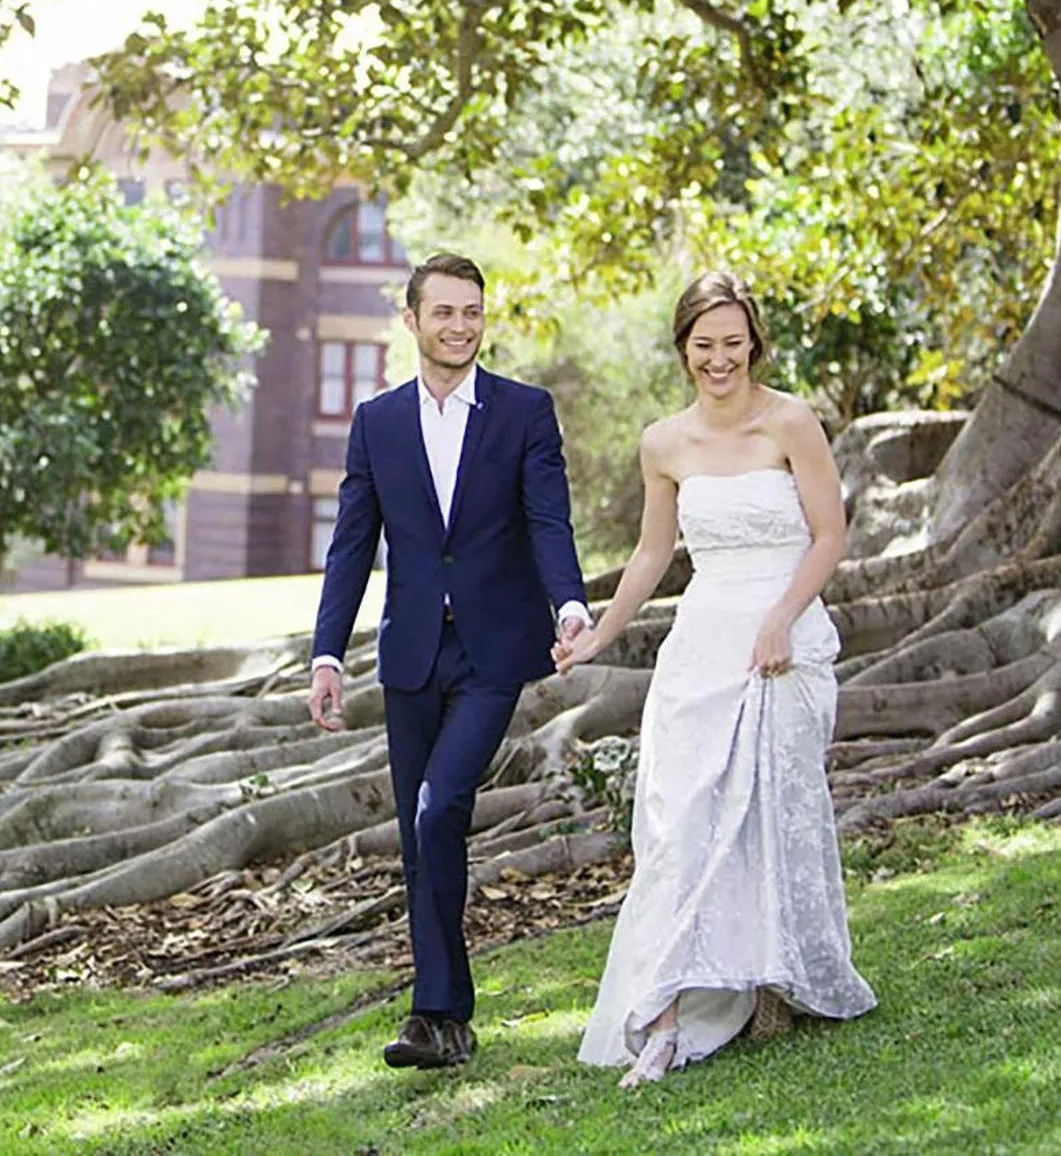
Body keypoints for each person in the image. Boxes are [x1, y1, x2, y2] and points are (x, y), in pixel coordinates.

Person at [553, 270, 876, 1088]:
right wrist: (598, 634)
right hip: (702, 643)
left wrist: (781, 620)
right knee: (678, 821)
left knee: (775, 809)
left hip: (783, 632)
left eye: (734, 343)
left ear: (754, 344)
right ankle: (661, 1015)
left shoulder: (791, 421)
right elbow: (655, 555)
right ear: (684, 349)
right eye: (705, 345)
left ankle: (778, 982)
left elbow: (829, 535)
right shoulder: (664, 442)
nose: (720, 359)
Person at [309, 252, 591, 1071]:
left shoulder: (524, 412)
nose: (461, 326)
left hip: (495, 649)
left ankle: (437, 1009)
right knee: (422, 835)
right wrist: (327, 653)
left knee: (439, 810)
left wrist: (569, 604)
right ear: (412, 321)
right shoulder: (378, 422)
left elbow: (548, 521)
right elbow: (352, 546)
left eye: (472, 311)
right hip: (409, 656)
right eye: (444, 312)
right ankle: (443, 1022)